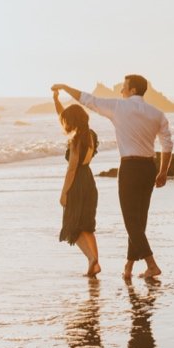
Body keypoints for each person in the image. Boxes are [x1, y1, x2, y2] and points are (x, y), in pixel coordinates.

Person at [51, 76, 172, 280]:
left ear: (132, 90)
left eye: (123, 87)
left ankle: (152, 265)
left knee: (131, 222)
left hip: (130, 168)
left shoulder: (118, 107)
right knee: (139, 221)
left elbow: (87, 99)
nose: (121, 91)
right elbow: (167, 144)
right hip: (149, 168)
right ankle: (129, 267)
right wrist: (163, 171)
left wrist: (64, 87)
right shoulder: (157, 113)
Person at [53, 89, 101, 277]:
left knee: (73, 225)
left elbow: (72, 168)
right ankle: (95, 262)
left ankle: (91, 259)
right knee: (87, 225)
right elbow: (63, 115)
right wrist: (55, 100)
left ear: (73, 122)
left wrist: (64, 192)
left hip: (78, 182)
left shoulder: (75, 141)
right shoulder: (90, 135)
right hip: (89, 180)